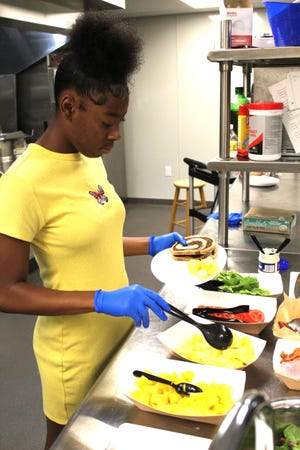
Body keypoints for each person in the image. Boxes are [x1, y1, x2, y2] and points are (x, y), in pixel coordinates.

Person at [0, 11, 186, 449]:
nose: (116, 134)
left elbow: (90, 241)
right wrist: (101, 300)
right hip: (74, 353)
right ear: (69, 106)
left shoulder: (89, 157)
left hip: (117, 336)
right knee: (69, 443)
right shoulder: (23, 183)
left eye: (120, 121)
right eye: (108, 121)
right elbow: (5, 290)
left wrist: (154, 244)